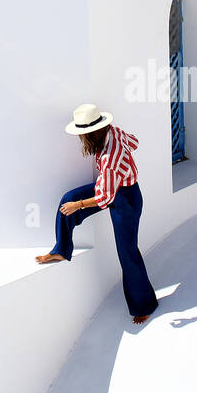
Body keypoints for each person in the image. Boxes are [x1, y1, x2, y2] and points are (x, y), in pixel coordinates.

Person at [35, 103, 158, 325]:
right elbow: (135, 142)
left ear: (91, 134)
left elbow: (105, 198)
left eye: (82, 135)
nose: (80, 139)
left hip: (126, 199)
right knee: (67, 199)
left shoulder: (110, 159)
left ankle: (145, 305)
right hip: (111, 187)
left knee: (127, 252)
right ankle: (62, 249)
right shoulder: (114, 131)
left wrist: (79, 205)